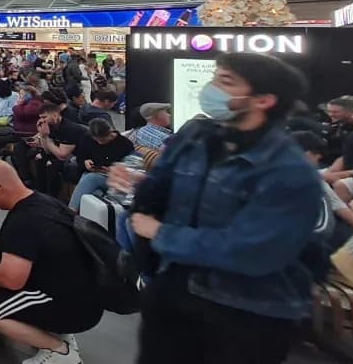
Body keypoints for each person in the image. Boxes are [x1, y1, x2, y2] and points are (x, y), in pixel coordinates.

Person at [127, 53, 324, 364]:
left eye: (226, 81)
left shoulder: (289, 171)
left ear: (263, 100)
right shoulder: (197, 139)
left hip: (245, 309)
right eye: (215, 77)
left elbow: (255, 250)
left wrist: (162, 234)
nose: (211, 87)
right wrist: (139, 185)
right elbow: (163, 192)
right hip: (174, 291)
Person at [0, 160, 102, 363]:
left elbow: (11, 279)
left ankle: (60, 351)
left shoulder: (23, 220)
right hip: (89, 299)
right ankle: (58, 334)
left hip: (72, 308)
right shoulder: (44, 202)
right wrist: (1, 242)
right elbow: (47, 238)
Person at [293, 130, 353, 252]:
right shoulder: (314, 182)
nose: (320, 157)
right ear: (306, 154)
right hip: (314, 244)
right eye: (317, 153)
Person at [68, 117, 134, 211]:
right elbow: (80, 158)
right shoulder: (87, 138)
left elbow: (129, 169)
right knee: (95, 193)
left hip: (112, 179)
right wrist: (85, 162)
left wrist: (111, 170)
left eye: (103, 140)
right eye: (96, 140)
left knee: (90, 178)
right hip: (91, 173)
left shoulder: (124, 144)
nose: (99, 142)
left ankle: (70, 212)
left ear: (110, 132)